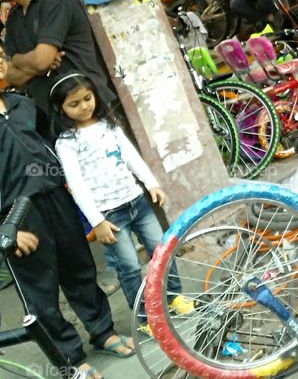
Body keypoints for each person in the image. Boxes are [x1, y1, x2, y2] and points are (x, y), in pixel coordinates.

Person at [0, 34, 134, 379]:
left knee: (80, 269)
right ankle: (70, 359)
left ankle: (103, 331)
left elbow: (53, 146)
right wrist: (1, 231)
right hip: (17, 217)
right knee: (40, 290)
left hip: (55, 198)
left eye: (1, 54)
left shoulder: (22, 104)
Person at [50, 72, 193, 334]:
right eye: (74, 104)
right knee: (129, 267)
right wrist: (97, 221)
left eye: (87, 98)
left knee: (162, 250)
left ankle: (174, 296)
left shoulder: (110, 125)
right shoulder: (67, 143)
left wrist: (151, 184)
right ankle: (145, 319)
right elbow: (77, 185)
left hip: (137, 202)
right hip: (109, 215)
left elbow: (131, 157)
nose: (84, 106)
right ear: (61, 109)